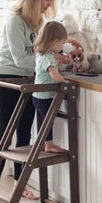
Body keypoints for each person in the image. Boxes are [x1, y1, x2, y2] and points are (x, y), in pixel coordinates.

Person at [0, 0, 58, 203]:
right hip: (7, 80)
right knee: (5, 134)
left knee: (25, 134)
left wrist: (60, 51)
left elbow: (40, 52)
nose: (48, 4)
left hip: (29, 81)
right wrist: (47, 61)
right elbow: (20, 59)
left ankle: (20, 182)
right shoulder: (15, 21)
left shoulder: (38, 22)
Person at [31, 21, 71, 153]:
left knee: (43, 120)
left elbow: (52, 59)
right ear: (54, 42)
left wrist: (58, 60)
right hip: (45, 96)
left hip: (37, 96)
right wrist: (64, 81)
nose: (62, 46)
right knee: (48, 122)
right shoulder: (49, 59)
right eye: (61, 43)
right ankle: (49, 144)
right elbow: (54, 76)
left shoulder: (42, 55)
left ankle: (41, 142)